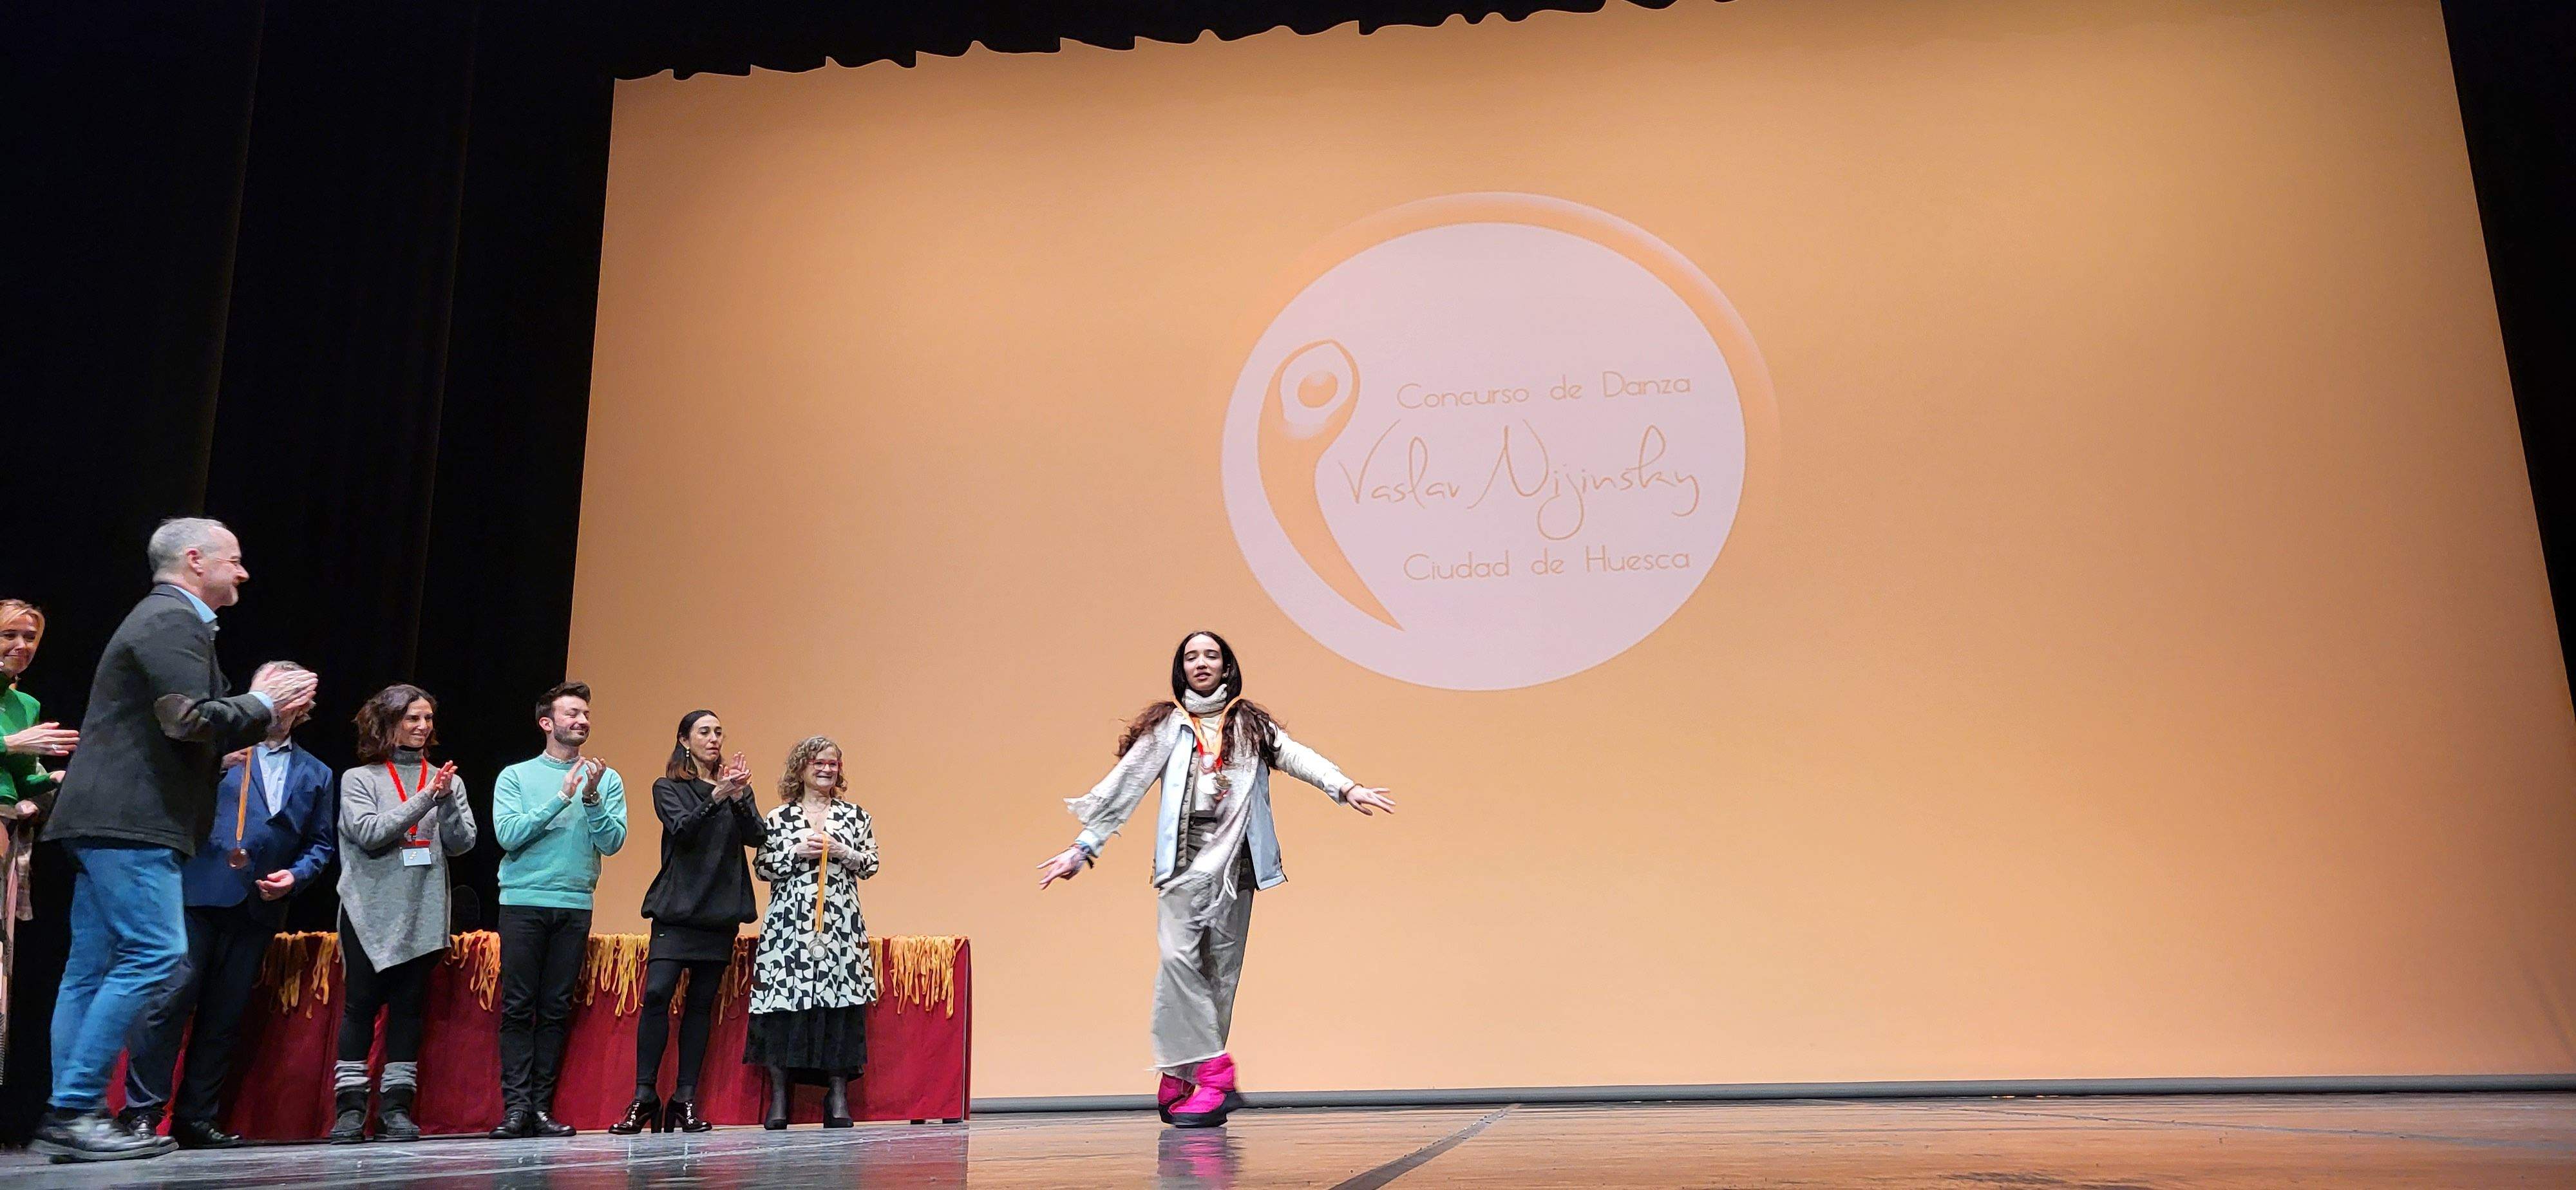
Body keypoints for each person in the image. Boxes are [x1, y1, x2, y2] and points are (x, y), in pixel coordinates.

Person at [32, 518, 317, 1164]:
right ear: (195, 560)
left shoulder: (168, 621)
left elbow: (177, 729)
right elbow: (187, 720)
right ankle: (74, 1109)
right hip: (133, 818)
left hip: (107, 815)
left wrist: (257, 714)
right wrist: (262, 704)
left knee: (89, 972)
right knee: (156, 953)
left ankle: (72, 1114)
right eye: (235, 560)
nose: (243, 573)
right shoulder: (171, 620)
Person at [1036, 630, 1393, 1128]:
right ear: (1180, 669)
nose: (1201, 662)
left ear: (1227, 667)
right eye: (1191, 656)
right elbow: (1126, 789)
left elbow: (1297, 756)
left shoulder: (1249, 723)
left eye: (1211, 655)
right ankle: (1211, 1067)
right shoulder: (1167, 726)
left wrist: (1345, 786)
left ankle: (1190, 1078)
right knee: (1178, 960)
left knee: (1220, 975)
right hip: (1185, 863)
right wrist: (1082, 848)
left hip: (1237, 864)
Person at [121, 663, 336, 1148]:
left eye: (300, 696)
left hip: (258, 906)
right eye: (284, 692)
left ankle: (196, 1117)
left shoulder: (317, 772)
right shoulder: (215, 746)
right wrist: (214, 768)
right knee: (167, 1005)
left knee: (224, 1014)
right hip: (196, 894)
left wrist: (296, 877)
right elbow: (163, 798)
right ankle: (141, 1112)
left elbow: (320, 844)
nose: (291, 703)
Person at [331, 683, 476, 1143]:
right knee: (360, 1008)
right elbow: (370, 833)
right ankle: (350, 1110)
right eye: (413, 718)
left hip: (422, 911)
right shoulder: (361, 779)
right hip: (367, 912)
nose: (422, 726)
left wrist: (448, 798)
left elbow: (462, 842)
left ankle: (396, 1110)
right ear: (389, 722)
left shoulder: (445, 779)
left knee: (409, 1012)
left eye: (428, 719)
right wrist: (425, 798)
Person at [489, 681, 626, 1139]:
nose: (582, 721)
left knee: (554, 1011)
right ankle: (515, 1109)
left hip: (574, 904)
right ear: (547, 723)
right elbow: (509, 836)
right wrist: (561, 798)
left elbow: (613, 842)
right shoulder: (515, 776)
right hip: (524, 903)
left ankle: (542, 1110)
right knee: (518, 1007)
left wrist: (589, 799)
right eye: (572, 713)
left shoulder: (605, 779)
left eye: (586, 713)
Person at [614, 710, 761, 1135]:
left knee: (701, 1005)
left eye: (719, 731)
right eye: (704, 732)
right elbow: (682, 829)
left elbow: (757, 836)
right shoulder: (670, 787)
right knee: (657, 994)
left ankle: (685, 1099)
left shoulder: (735, 790)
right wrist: (717, 797)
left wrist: (737, 795)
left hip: (719, 911)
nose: (714, 738)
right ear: (685, 740)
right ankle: (644, 1097)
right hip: (677, 908)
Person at [747, 736, 876, 1129]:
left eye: (833, 763)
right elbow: (763, 868)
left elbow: (870, 864)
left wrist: (842, 851)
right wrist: (794, 854)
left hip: (839, 926)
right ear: (801, 768)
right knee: (784, 1009)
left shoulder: (856, 816)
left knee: (839, 1009)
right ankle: (780, 1098)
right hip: (789, 929)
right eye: (818, 762)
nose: (826, 769)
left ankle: (837, 1097)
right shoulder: (779, 818)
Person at [2, 600, 76, 1084]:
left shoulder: (24, 705)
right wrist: (12, 746)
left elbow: (26, 781)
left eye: (30, 638)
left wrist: (63, 777)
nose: (22, 646)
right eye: (10, 635)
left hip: (9, 832)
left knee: (2, 961)